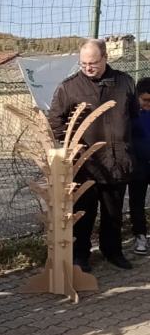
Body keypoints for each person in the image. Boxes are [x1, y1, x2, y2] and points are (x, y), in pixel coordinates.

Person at [48, 38, 137, 271]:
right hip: (84, 164)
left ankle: (113, 251)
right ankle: (80, 257)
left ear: (106, 58)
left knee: (113, 213)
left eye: (93, 63)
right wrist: (71, 148)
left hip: (117, 160)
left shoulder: (125, 82)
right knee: (83, 215)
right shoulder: (69, 87)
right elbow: (55, 123)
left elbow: (133, 117)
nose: (88, 68)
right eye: (83, 63)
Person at [129, 78, 150, 255]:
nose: (148, 104)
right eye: (145, 100)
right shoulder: (131, 114)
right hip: (138, 165)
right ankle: (140, 236)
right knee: (137, 202)